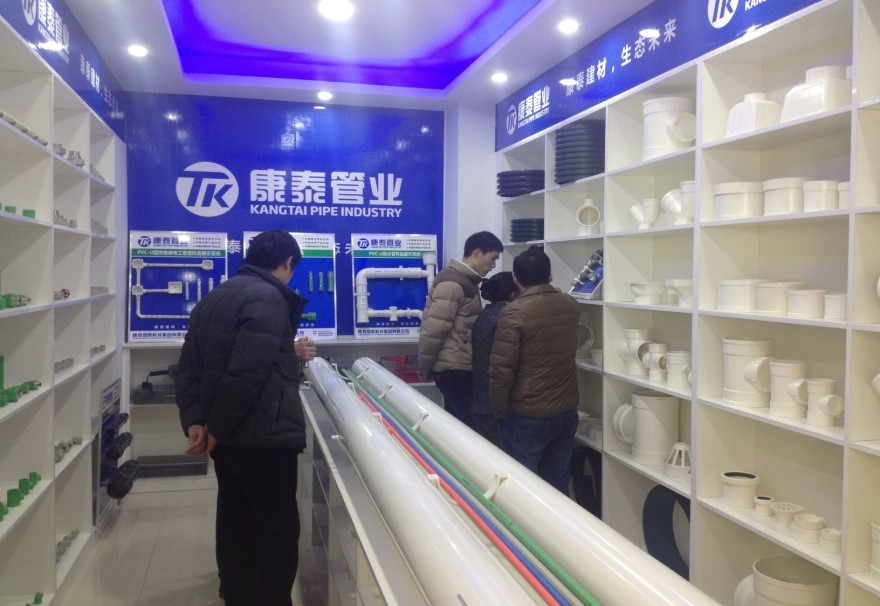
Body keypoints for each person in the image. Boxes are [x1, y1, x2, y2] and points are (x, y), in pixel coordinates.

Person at [174, 230, 317, 606]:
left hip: (229, 440)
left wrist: (197, 421)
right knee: (276, 531)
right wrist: (216, 428)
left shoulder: (214, 298)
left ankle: (237, 596)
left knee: (235, 524)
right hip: (264, 438)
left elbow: (188, 368)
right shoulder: (268, 298)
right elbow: (245, 373)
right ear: (286, 262)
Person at [489, 246, 580, 493]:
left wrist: (498, 411)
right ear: (550, 275)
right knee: (557, 486)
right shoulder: (570, 305)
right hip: (566, 410)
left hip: (527, 414)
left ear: (515, 278)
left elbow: (501, 369)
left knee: (521, 488)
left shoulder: (513, 312)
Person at [418, 231, 504, 426]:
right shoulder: (453, 283)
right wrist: (424, 367)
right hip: (453, 369)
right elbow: (434, 330)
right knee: (467, 429)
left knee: (456, 426)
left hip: (457, 367)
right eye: (492, 258)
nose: (493, 265)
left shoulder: (465, 281)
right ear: (477, 253)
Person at [469, 271, 517, 444]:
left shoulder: (484, 315)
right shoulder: (507, 317)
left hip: (479, 401)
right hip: (497, 405)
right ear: (513, 294)